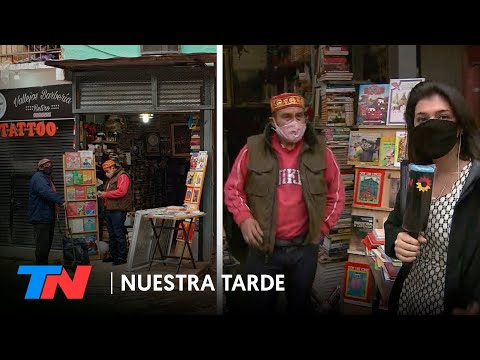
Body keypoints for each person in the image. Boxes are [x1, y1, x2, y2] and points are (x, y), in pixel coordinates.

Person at [224, 92, 345, 315]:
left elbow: (336, 195)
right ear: (273, 122)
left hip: (304, 250)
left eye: (299, 116)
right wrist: (244, 219)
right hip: (264, 251)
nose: (294, 123)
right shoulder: (252, 150)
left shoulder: (322, 152)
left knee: (300, 306)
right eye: (286, 117)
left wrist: (321, 228)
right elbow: (233, 189)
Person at [384, 81, 480, 315]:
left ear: (459, 126)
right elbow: (393, 226)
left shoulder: (476, 182)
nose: (433, 125)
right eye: (423, 119)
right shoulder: (417, 176)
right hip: (409, 298)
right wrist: (397, 241)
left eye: (443, 116)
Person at [28, 158, 65, 265]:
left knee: (46, 246)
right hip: (41, 217)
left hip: (47, 216)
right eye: (46, 165)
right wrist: (61, 201)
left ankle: (43, 268)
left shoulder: (46, 177)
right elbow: (46, 192)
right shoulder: (38, 177)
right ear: (40, 167)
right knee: (42, 247)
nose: (49, 167)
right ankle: (41, 271)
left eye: (50, 165)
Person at [98, 159, 133, 265]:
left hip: (118, 210)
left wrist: (105, 195)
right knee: (112, 234)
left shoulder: (122, 176)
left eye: (107, 171)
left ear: (113, 168)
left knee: (118, 233)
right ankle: (114, 255)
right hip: (110, 209)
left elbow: (122, 192)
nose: (106, 173)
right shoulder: (112, 178)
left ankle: (122, 257)